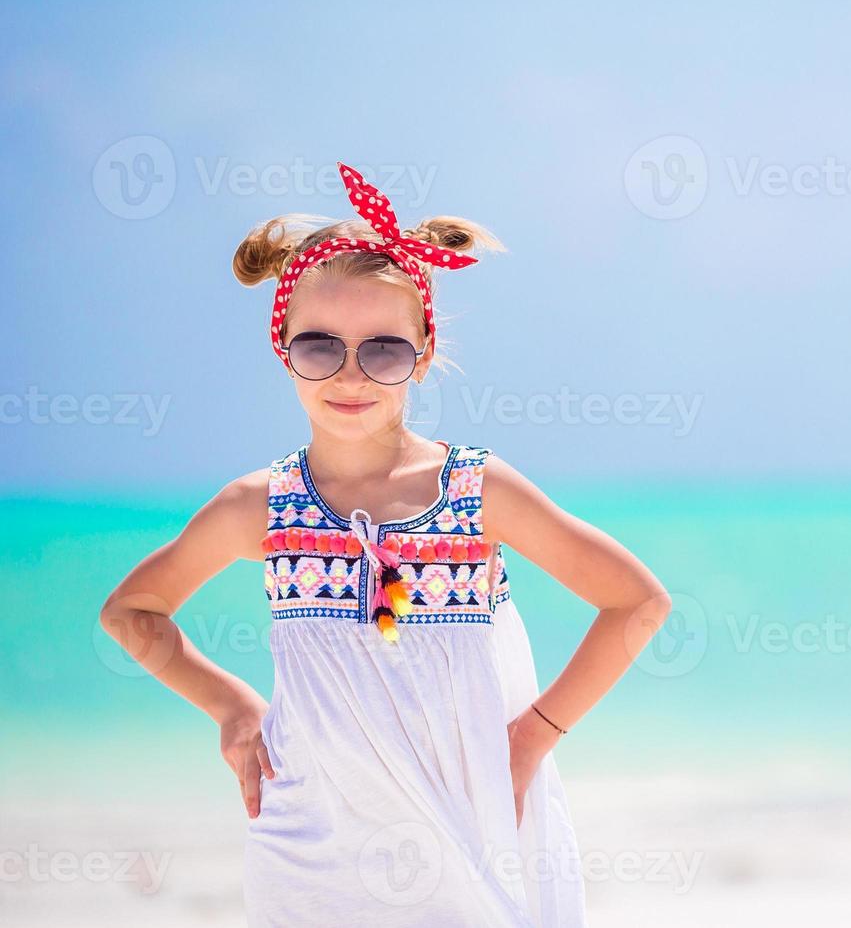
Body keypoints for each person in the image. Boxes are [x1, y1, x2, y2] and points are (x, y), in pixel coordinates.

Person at [98, 162, 672, 926]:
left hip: (468, 839)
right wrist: (232, 707)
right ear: (283, 349)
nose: (351, 373)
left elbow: (636, 602)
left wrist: (534, 737)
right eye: (319, 347)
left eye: (384, 351)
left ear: (423, 356)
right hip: (309, 855)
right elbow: (134, 611)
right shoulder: (260, 508)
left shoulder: (474, 493)